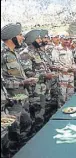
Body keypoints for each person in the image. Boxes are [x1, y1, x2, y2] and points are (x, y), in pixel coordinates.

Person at [1, 23, 36, 155]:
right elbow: (3, 82)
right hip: (12, 103)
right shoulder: (2, 54)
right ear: (12, 37)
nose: (22, 38)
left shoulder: (14, 53)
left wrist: (26, 81)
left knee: (26, 129)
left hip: (23, 99)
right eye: (20, 35)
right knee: (13, 137)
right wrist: (22, 83)